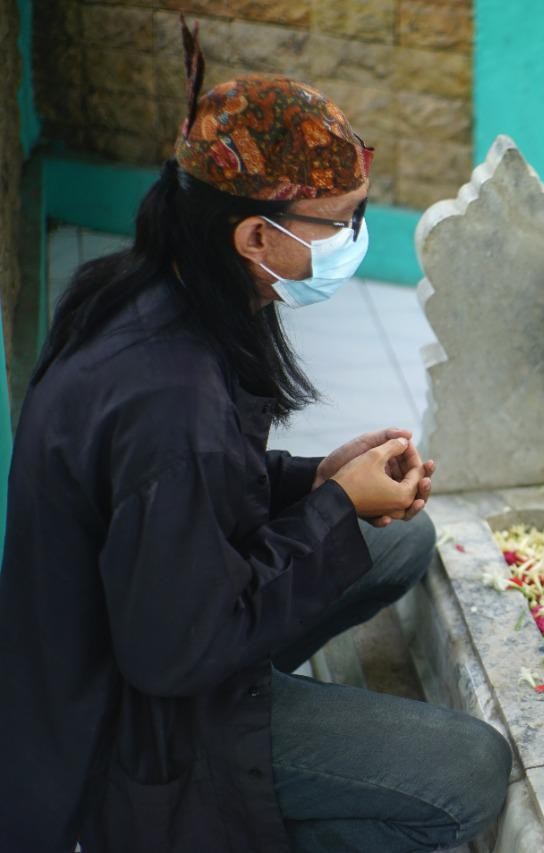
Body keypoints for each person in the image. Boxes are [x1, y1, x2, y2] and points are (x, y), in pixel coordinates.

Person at [0, 20, 510, 852]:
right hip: (143, 732)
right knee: (472, 771)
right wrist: (337, 509)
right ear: (253, 237)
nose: (352, 242)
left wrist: (315, 481)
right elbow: (174, 650)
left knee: (403, 539)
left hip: (160, 622)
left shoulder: (152, 290)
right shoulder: (170, 399)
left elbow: (205, 493)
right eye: (338, 225)